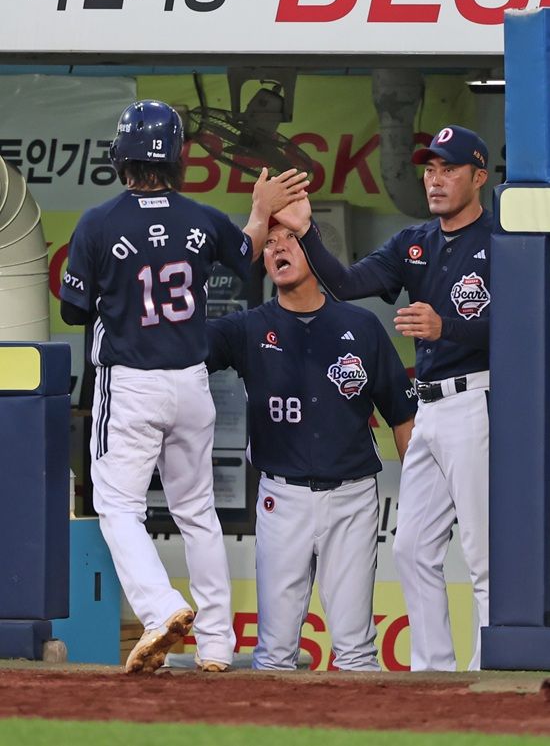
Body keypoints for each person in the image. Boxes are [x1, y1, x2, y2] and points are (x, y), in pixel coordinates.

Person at [59, 99, 309, 675]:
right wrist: (259, 210)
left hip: (132, 382)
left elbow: (73, 309)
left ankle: (160, 609)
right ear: (176, 157)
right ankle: (216, 644)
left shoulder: (98, 222)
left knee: (117, 506)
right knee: (197, 512)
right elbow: (247, 253)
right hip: (192, 384)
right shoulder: (200, 218)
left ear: (121, 155)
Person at [276, 125, 491, 671]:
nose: (435, 180)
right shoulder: (414, 241)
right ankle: (434, 672)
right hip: (430, 409)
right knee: (411, 548)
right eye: (430, 169)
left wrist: (448, 328)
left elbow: (528, 327)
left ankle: (491, 673)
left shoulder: (502, 240)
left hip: (478, 399)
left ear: (479, 177)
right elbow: (346, 284)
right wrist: (305, 233)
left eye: (449, 169)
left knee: (485, 554)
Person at [206, 219, 416, 670]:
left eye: (292, 239)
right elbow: (188, 348)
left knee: (356, 650)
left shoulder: (361, 326)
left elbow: (402, 415)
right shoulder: (247, 328)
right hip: (281, 498)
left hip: (353, 496)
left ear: (315, 250)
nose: (279, 247)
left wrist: (417, 498)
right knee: (275, 651)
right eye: (270, 242)